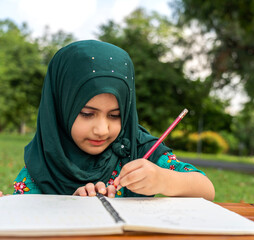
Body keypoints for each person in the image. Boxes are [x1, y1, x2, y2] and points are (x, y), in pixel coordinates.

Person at [11, 40, 215, 201]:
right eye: (87, 114)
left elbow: (207, 189)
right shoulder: (43, 163)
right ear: (60, 109)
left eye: (115, 115)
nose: (101, 129)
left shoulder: (140, 149)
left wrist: (163, 180)